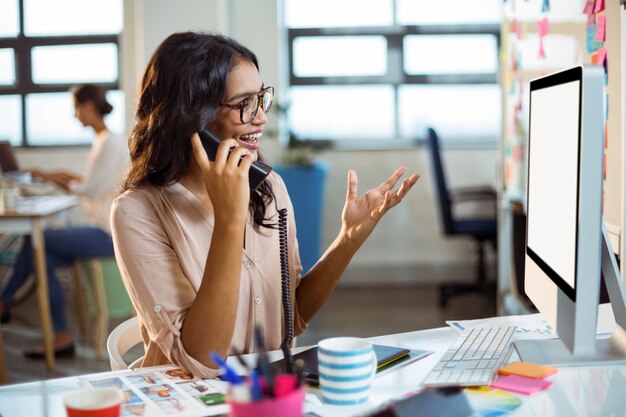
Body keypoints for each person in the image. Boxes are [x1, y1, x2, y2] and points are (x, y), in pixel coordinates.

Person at [110, 31, 420, 378]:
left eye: (261, 99)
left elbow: (292, 318)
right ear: (192, 115)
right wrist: (229, 220)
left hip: (266, 390)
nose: (261, 118)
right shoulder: (137, 211)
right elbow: (201, 359)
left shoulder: (267, 188)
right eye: (244, 104)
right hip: (190, 399)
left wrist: (348, 239)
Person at [0, 84, 130, 358]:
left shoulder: (110, 142)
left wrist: (52, 177)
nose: (75, 116)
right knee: (42, 259)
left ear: (89, 107)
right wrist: (57, 176)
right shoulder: (103, 140)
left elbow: (90, 191)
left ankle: (3, 301)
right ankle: (62, 337)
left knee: (37, 240)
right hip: (100, 228)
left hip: (107, 232)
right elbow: (90, 185)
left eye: (76, 109)